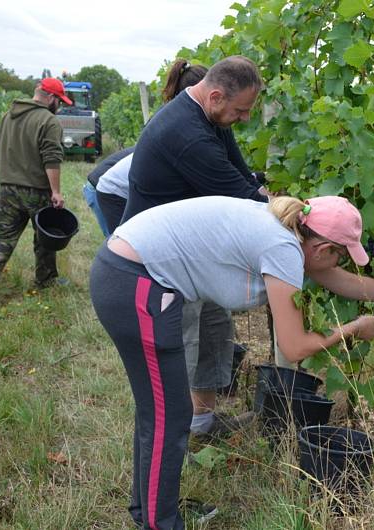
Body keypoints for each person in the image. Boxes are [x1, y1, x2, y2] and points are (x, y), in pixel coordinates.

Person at [90, 195, 374, 529]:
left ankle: (150, 511)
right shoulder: (283, 248)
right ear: (322, 248)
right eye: (339, 255)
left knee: (160, 411)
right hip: (133, 283)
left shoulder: (284, 227)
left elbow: (335, 278)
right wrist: (353, 329)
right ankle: (160, 522)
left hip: (127, 274)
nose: (338, 264)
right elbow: (294, 347)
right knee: (169, 415)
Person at [119, 56, 268, 441]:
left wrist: (266, 192)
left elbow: (242, 175)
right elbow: (243, 199)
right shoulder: (186, 134)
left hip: (197, 254)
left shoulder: (211, 117)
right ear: (216, 96)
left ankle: (201, 422)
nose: (246, 119)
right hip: (160, 265)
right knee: (180, 348)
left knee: (215, 332)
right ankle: (173, 442)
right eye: (241, 111)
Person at [84, 59, 209, 236]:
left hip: (117, 184)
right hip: (104, 187)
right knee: (122, 250)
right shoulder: (175, 123)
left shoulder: (175, 117)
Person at [0, 78, 71, 293]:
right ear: (52, 98)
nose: (60, 106)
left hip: (7, 188)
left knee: (1, 237)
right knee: (45, 237)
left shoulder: (8, 116)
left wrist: (9, 173)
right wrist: (55, 191)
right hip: (37, 190)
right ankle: (45, 280)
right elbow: (52, 158)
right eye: (60, 101)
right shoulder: (49, 121)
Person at [84, 146, 134, 236]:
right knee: (117, 238)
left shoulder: (150, 147)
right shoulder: (150, 153)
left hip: (113, 189)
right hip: (99, 189)